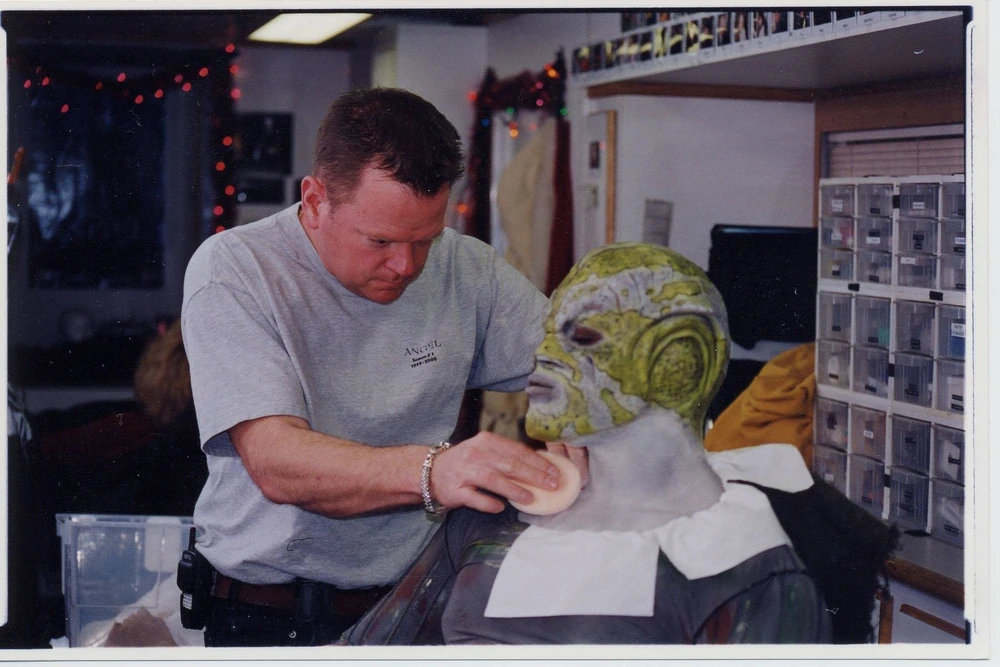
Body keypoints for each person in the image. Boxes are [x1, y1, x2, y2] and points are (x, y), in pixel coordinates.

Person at [344, 243, 894, 645]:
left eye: (581, 337)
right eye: (548, 333)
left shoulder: (747, 572)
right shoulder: (492, 516)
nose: (543, 356)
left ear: (678, 360)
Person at [180, 87, 564, 647]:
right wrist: (436, 471)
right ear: (315, 200)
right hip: (270, 616)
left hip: (413, 603)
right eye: (380, 240)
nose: (405, 265)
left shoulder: (469, 269)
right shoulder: (236, 270)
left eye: (425, 240)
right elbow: (276, 461)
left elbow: (579, 367)